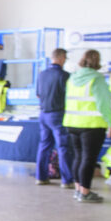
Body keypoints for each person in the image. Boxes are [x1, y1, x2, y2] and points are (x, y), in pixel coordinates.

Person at [62, 49, 111, 203]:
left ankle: (78, 190)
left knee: (78, 156)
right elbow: (103, 104)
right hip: (92, 125)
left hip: (72, 123)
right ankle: (85, 192)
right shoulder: (97, 79)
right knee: (88, 159)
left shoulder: (72, 78)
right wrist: (110, 123)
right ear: (97, 62)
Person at [34, 47, 74, 188]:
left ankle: (40, 177)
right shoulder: (65, 76)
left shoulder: (42, 75)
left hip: (43, 114)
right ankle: (67, 180)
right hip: (57, 115)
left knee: (44, 146)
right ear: (62, 58)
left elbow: (38, 94)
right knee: (63, 147)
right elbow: (70, 96)